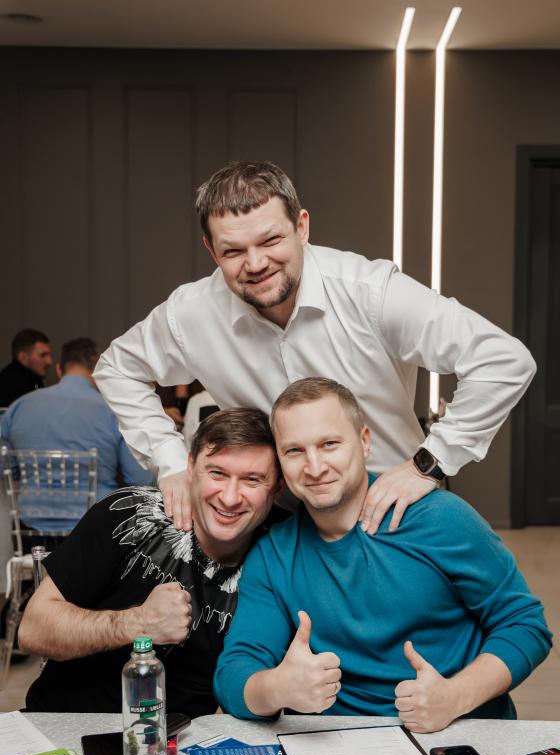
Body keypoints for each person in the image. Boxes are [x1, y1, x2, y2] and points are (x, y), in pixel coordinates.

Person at [94, 161, 536, 536]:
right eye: (233, 251)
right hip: (284, 525)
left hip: (395, 512)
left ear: (302, 227)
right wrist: (171, 462)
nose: (255, 264)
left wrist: (427, 464)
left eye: (271, 241)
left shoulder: (370, 292)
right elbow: (117, 368)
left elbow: (504, 360)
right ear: (212, 251)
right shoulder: (192, 313)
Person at [213, 378, 552, 733]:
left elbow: (525, 625)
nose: (314, 467)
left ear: (364, 441)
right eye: (294, 451)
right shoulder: (274, 555)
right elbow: (234, 673)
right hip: (341, 745)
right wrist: (277, 688)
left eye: (329, 444)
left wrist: (455, 697)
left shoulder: (440, 519)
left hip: (457, 733)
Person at [18, 407, 281, 714]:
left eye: (252, 480)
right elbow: (32, 631)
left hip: (179, 738)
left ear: (278, 487)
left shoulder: (282, 553)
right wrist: (138, 622)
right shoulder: (129, 514)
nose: (230, 497)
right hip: (64, 722)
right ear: (190, 466)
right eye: (217, 473)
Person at [1, 337, 153, 534]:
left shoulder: (19, 407)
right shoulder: (113, 411)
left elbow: (6, 468)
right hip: (95, 529)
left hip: (30, 527)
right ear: (98, 372)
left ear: (59, 369)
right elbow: (140, 479)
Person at [0, 329, 52, 406]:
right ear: (23, 357)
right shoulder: (12, 384)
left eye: (49, 355)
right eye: (42, 355)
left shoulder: (32, 379)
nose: (49, 361)